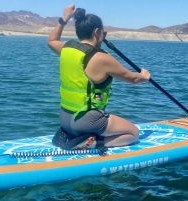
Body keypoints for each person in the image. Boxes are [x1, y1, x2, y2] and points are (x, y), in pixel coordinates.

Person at [47, 4, 151, 149]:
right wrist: (144, 77)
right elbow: (134, 79)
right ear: (97, 32)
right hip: (87, 121)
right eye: (103, 32)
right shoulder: (102, 58)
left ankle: (82, 137)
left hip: (65, 120)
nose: (104, 36)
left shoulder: (67, 48)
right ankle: (92, 144)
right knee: (133, 133)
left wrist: (65, 18)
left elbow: (51, 41)